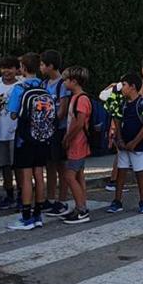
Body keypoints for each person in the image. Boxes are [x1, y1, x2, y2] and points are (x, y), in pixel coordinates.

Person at [9, 53, 52, 230]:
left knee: (26, 177)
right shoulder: (44, 88)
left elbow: (13, 114)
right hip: (43, 137)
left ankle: (26, 216)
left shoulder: (19, 88)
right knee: (39, 175)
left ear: (24, 69)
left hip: (25, 138)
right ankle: (38, 214)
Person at [107, 73, 143, 214]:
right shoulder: (123, 104)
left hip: (138, 145)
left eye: (125, 85)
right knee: (121, 171)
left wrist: (134, 142)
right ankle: (117, 200)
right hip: (124, 144)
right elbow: (117, 120)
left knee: (140, 172)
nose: (122, 88)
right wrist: (119, 139)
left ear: (133, 87)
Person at [60, 66, 93, 224]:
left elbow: (79, 122)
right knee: (79, 175)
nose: (64, 82)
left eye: (66, 80)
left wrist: (68, 137)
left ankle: (82, 209)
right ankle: (81, 205)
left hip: (77, 143)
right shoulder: (77, 97)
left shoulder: (81, 99)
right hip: (78, 143)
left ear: (74, 81)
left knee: (70, 175)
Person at [40, 50, 71, 216]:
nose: (41, 67)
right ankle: (50, 198)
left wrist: (49, 120)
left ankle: (62, 200)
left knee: (60, 165)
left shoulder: (62, 85)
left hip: (58, 129)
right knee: (49, 165)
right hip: (47, 129)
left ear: (50, 66)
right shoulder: (44, 84)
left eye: (43, 65)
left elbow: (63, 110)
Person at [0, 56, 21, 211]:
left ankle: (22, 194)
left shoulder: (20, 86)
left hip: (16, 132)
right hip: (0, 131)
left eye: (10, 68)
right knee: (5, 166)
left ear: (17, 69)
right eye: (4, 68)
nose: (7, 71)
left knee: (19, 165)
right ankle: (9, 194)